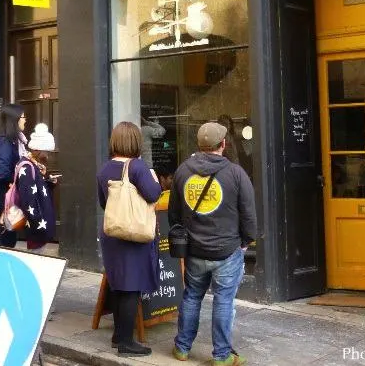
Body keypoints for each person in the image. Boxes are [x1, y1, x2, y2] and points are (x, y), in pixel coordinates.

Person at [169, 122, 257, 366]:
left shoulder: (183, 171)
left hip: (195, 250)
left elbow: (174, 215)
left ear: (200, 144)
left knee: (192, 296)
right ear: (223, 145)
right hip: (227, 250)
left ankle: (182, 348)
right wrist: (247, 241)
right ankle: (221, 356)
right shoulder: (236, 173)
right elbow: (248, 213)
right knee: (223, 301)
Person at [96, 121, 162, 357]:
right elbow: (154, 193)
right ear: (136, 141)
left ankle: (118, 335)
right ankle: (126, 343)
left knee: (119, 286)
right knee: (132, 287)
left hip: (112, 234)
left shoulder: (104, 169)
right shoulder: (137, 167)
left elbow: (104, 203)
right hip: (134, 234)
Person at [0, 104, 27, 248]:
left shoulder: (14, 141)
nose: (25, 120)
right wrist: (15, 181)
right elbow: (3, 172)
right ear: (14, 120)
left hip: (7, 197)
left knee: (10, 232)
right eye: (23, 117)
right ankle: (6, 262)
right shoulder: (6, 143)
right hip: (6, 197)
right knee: (8, 235)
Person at [15, 123, 58, 254]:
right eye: (47, 152)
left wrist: (49, 183)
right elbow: (28, 199)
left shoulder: (35, 166)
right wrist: (38, 222)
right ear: (39, 150)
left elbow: (36, 189)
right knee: (36, 254)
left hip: (39, 226)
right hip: (37, 227)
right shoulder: (27, 168)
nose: (48, 156)